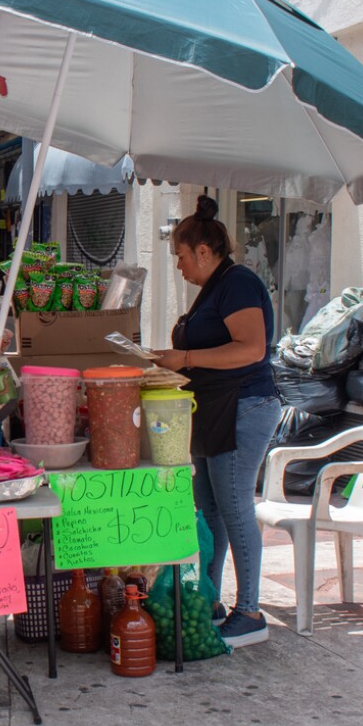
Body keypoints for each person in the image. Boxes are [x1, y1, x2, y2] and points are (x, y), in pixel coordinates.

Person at [151, 195, 280, 649]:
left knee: (235, 506)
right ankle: (208, 598)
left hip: (244, 406)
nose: (179, 266)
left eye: (182, 256)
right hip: (213, 408)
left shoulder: (238, 283)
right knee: (210, 508)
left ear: (204, 251)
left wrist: (185, 357)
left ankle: (250, 612)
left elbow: (251, 348)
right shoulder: (213, 288)